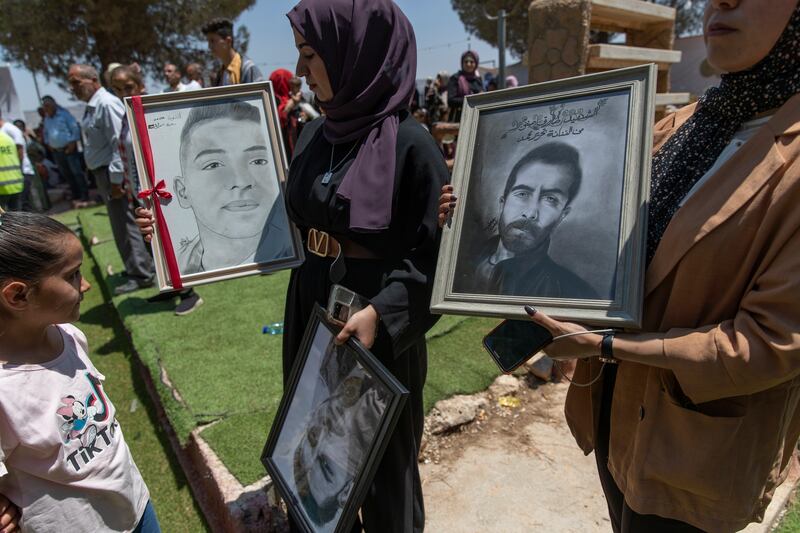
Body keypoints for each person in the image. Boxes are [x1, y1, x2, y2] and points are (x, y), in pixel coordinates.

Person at [442, 1, 800, 530]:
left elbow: (767, 344)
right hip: (615, 418)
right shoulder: (681, 126)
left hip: (696, 456)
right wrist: (462, 216)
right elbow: (627, 254)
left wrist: (606, 346)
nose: (720, 1)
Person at [136, 1, 447, 530]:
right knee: (316, 444)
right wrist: (169, 226)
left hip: (377, 325)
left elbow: (435, 260)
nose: (301, 72)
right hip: (313, 306)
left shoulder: (412, 145)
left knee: (384, 462)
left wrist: (383, 314)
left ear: (357, 55)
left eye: (310, 55)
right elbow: (274, 220)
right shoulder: (315, 135)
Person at [0, 210, 160, 533]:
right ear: (18, 295)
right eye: (72, 275)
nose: (85, 284)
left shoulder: (71, 337)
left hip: (136, 507)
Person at [109, 65, 204, 315]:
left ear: (140, 86)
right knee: (152, 242)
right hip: (137, 192)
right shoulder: (125, 114)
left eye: (127, 87)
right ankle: (171, 287)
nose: (122, 93)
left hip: (155, 191)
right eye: (117, 89)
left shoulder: (150, 112)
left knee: (169, 241)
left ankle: (190, 293)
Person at [454, 142, 596, 298]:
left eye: (550, 199)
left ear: (562, 216)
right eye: (522, 194)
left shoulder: (575, 293)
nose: (530, 213)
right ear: (503, 203)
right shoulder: (457, 260)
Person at [170, 100, 292, 274]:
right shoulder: (178, 264)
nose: (241, 181)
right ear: (182, 192)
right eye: (213, 165)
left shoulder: (293, 245)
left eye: (258, 161)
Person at [68, 64, 155, 295]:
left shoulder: (105, 104)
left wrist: (117, 180)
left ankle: (141, 272)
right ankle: (138, 267)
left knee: (125, 225)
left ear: (92, 79)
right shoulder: (94, 105)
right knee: (121, 225)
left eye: (76, 81)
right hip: (108, 174)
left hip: (113, 174)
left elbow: (120, 144)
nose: (73, 87)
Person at [41, 95, 90, 203]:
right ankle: (75, 194)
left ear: (54, 104)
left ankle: (84, 194)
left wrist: (72, 143)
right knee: (66, 173)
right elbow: (46, 133)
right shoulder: (47, 119)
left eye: (48, 105)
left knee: (76, 172)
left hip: (69, 149)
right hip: (57, 151)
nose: (46, 108)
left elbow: (75, 128)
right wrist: (49, 144)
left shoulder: (64, 115)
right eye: (44, 106)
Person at [201, 18, 264, 86]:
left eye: (212, 41)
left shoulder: (247, 69)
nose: (209, 46)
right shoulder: (220, 74)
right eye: (208, 41)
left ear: (228, 41)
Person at [0, 111, 36, 212]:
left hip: (22, 172)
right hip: (13, 176)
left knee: (23, 207)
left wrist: (16, 171)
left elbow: (20, 151)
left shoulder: (10, 129)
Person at [447, 50, 483, 122]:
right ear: (462, 63)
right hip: (459, 119)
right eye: (466, 61)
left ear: (476, 63)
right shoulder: (455, 78)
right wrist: (473, 99)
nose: (468, 64)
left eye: (472, 62)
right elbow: (451, 101)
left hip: (477, 118)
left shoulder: (478, 80)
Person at [0, 130, 24, 211]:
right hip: (16, 183)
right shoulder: (8, 138)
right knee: (16, 218)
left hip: (2, 187)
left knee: (2, 221)